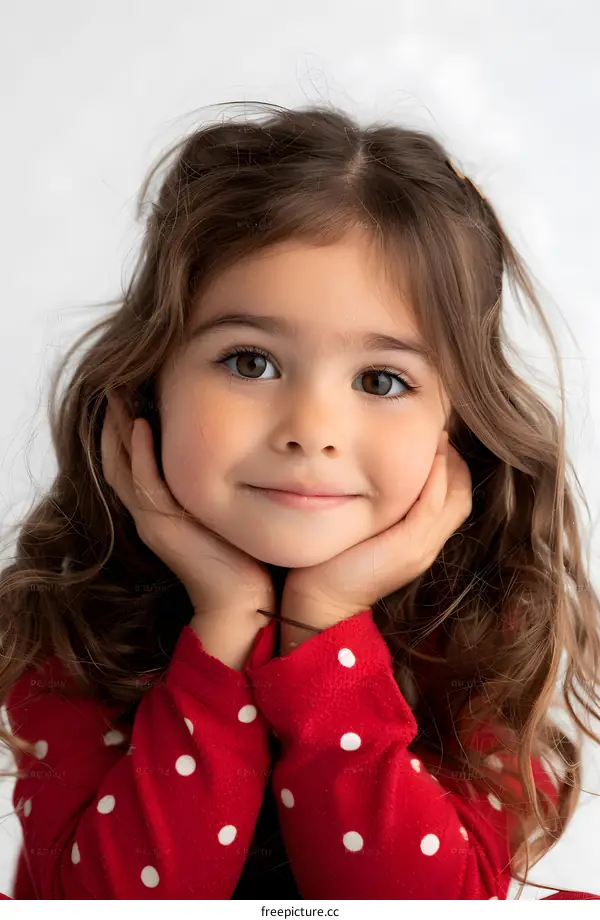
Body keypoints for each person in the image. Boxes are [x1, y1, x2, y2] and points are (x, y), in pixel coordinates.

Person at [0, 101, 599, 901]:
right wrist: (226, 624)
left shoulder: (483, 630)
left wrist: (325, 631)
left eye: (381, 380)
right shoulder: (71, 620)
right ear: (150, 385)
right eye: (249, 362)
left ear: (453, 423)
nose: (311, 430)